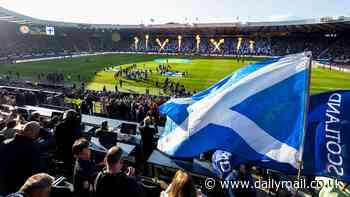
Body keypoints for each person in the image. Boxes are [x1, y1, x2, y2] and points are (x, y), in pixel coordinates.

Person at [0, 122, 43, 195]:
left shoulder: (6, 142)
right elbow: (36, 169)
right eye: (37, 132)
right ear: (33, 132)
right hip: (17, 186)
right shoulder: (33, 147)